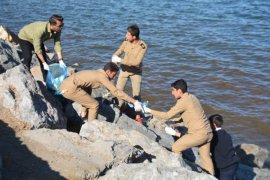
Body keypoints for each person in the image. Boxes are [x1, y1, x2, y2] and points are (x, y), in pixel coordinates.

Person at [143, 79, 214, 175]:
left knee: (176, 148)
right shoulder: (192, 97)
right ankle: (212, 177)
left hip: (198, 134)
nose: (172, 93)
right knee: (205, 157)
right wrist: (174, 121)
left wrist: (148, 110)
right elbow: (188, 114)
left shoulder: (183, 101)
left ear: (179, 91)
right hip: (208, 133)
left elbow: (167, 115)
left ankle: (181, 173)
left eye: (173, 90)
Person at [59, 62, 144, 122]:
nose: (114, 77)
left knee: (88, 91)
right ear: (108, 72)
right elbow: (116, 91)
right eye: (114, 74)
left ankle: (83, 115)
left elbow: (89, 87)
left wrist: (84, 109)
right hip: (69, 89)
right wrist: (134, 101)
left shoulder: (97, 72)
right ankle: (91, 129)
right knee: (94, 105)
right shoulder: (102, 77)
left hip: (64, 85)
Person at [111, 24, 147, 122]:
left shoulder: (143, 46)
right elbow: (119, 51)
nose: (126, 36)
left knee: (136, 94)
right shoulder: (126, 42)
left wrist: (120, 60)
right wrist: (114, 56)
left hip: (136, 72)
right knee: (118, 91)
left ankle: (138, 115)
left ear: (134, 37)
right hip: (124, 71)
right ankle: (120, 108)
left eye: (128, 35)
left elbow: (136, 62)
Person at [18, 15, 66, 80]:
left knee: (44, 58)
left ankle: (46, 80)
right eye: (60, 26)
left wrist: (60, 60)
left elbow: (57, 45)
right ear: (52, 25)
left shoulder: (57, 31)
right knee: (28, 57)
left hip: (37, 39)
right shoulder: (40, 30)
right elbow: (37, 50)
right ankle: (26, 77)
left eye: (62, 24)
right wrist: (44, 63)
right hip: (25, 37)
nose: (62, 27)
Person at [209, 114, 240, 180]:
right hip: (233, 162)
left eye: (209, 123)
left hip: (224, 167)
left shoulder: (213, 136)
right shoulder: (227, 134)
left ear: (213, 124)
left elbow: (210, 149)